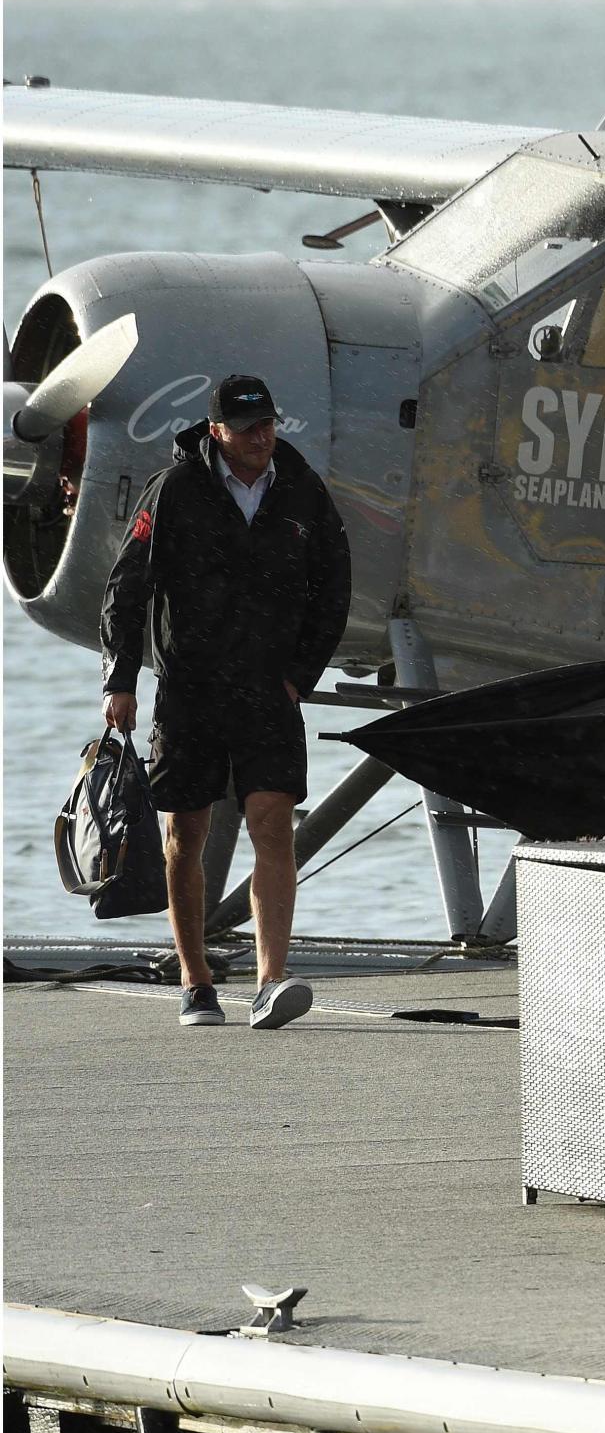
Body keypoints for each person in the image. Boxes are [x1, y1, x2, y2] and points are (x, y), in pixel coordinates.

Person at [99, 374, 351, 1031]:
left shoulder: (300, 489)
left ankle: (271, 980)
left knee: (273, 817)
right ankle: (196, 980)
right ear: (217, 432)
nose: (261, 438)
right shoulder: (176, 490)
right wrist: (119, 679)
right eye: (246, 430)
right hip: (189, 689)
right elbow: (127, 584)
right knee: (186, 831)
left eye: (268, 425)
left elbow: (334, 583)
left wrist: (303, 672)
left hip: (270, 688)